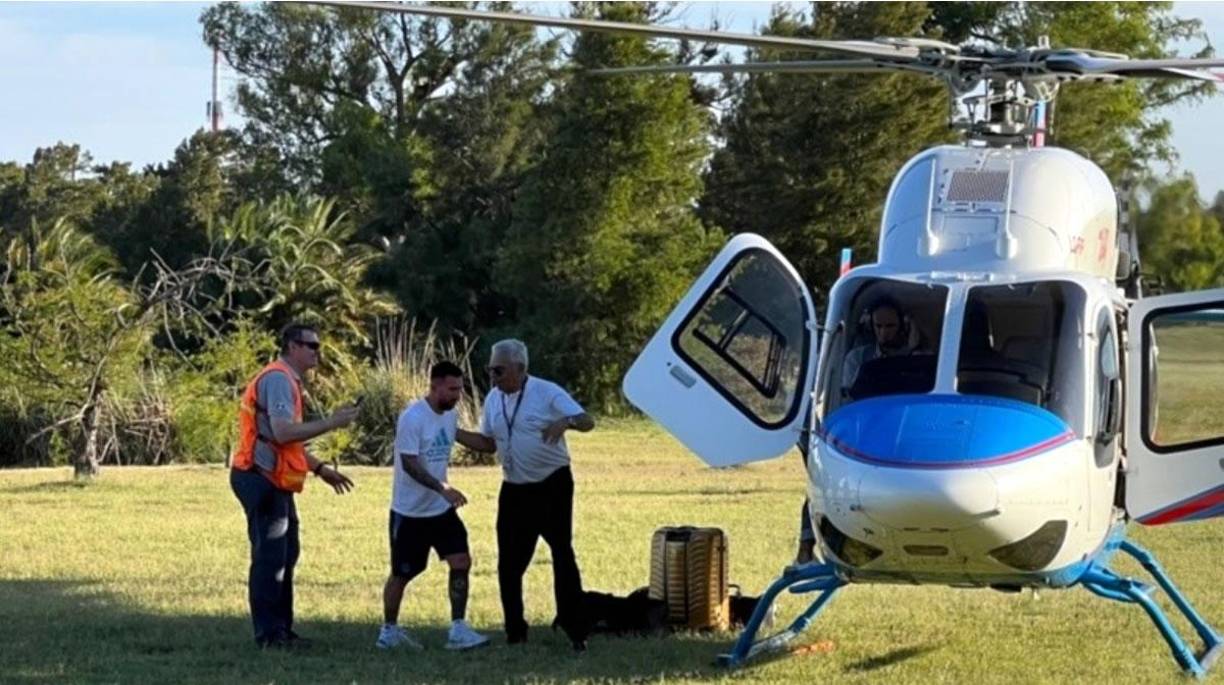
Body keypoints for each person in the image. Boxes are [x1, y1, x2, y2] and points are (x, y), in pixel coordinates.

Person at [456, 339, 596, 651]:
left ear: (520, 369)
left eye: (499, 370)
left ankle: (576, 630)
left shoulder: (547, 392)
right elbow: (489, 444)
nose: (493, 376)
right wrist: (453, 432)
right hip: (514, 489)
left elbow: (588, 421)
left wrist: (567, 421)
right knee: (508, 564)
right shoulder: (494, 398)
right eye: (490, 370)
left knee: (562, 553)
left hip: (552, 485)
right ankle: (515, 632)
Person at [229, 323, 358, 649]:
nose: (317, 352)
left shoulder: (287, 380)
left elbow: (281, 441)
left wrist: (320, 469)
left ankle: (282, 631)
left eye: (318, 345)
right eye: (311, 345)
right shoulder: (278, 379)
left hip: (273, 478)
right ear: (291, 347)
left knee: (286, 554)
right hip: (259, 477)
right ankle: (269, 636)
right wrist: (333, 422)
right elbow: (284, 432)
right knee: (270, 558)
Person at [377, 361, 490, 652]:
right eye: (452, 389)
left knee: (461, 561)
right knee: (402, 574)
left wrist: (497, 441)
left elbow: (466, 438)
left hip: (440, 511)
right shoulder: (412, 418)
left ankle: (458, 629)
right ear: (435, 385)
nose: (457, 396)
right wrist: (443, 488)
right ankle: (388, 631)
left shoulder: (448, 416)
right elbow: (409, 464)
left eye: (460, 389)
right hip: (410, 512)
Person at [841, 296, 919, 394]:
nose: (883, 333)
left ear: (902, 326)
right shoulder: (856, 358)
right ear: (871, 326)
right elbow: (847, 397)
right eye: (878, 326)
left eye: (890, 326)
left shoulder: (915, 359)